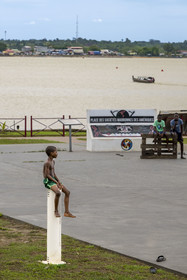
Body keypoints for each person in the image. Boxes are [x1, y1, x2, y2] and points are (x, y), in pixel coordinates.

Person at [43, 146, 76, 218]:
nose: (57, 153)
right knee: (58, 193)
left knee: (67, 192)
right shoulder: (47, 163)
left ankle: (67, 212)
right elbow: (47, 175)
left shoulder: (53, 161)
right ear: (51, 153)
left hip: (53, 180)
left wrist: (58, 181)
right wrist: (56, 182)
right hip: (48, 181)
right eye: (56, 152)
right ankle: (56, 211)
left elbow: (53, 173)